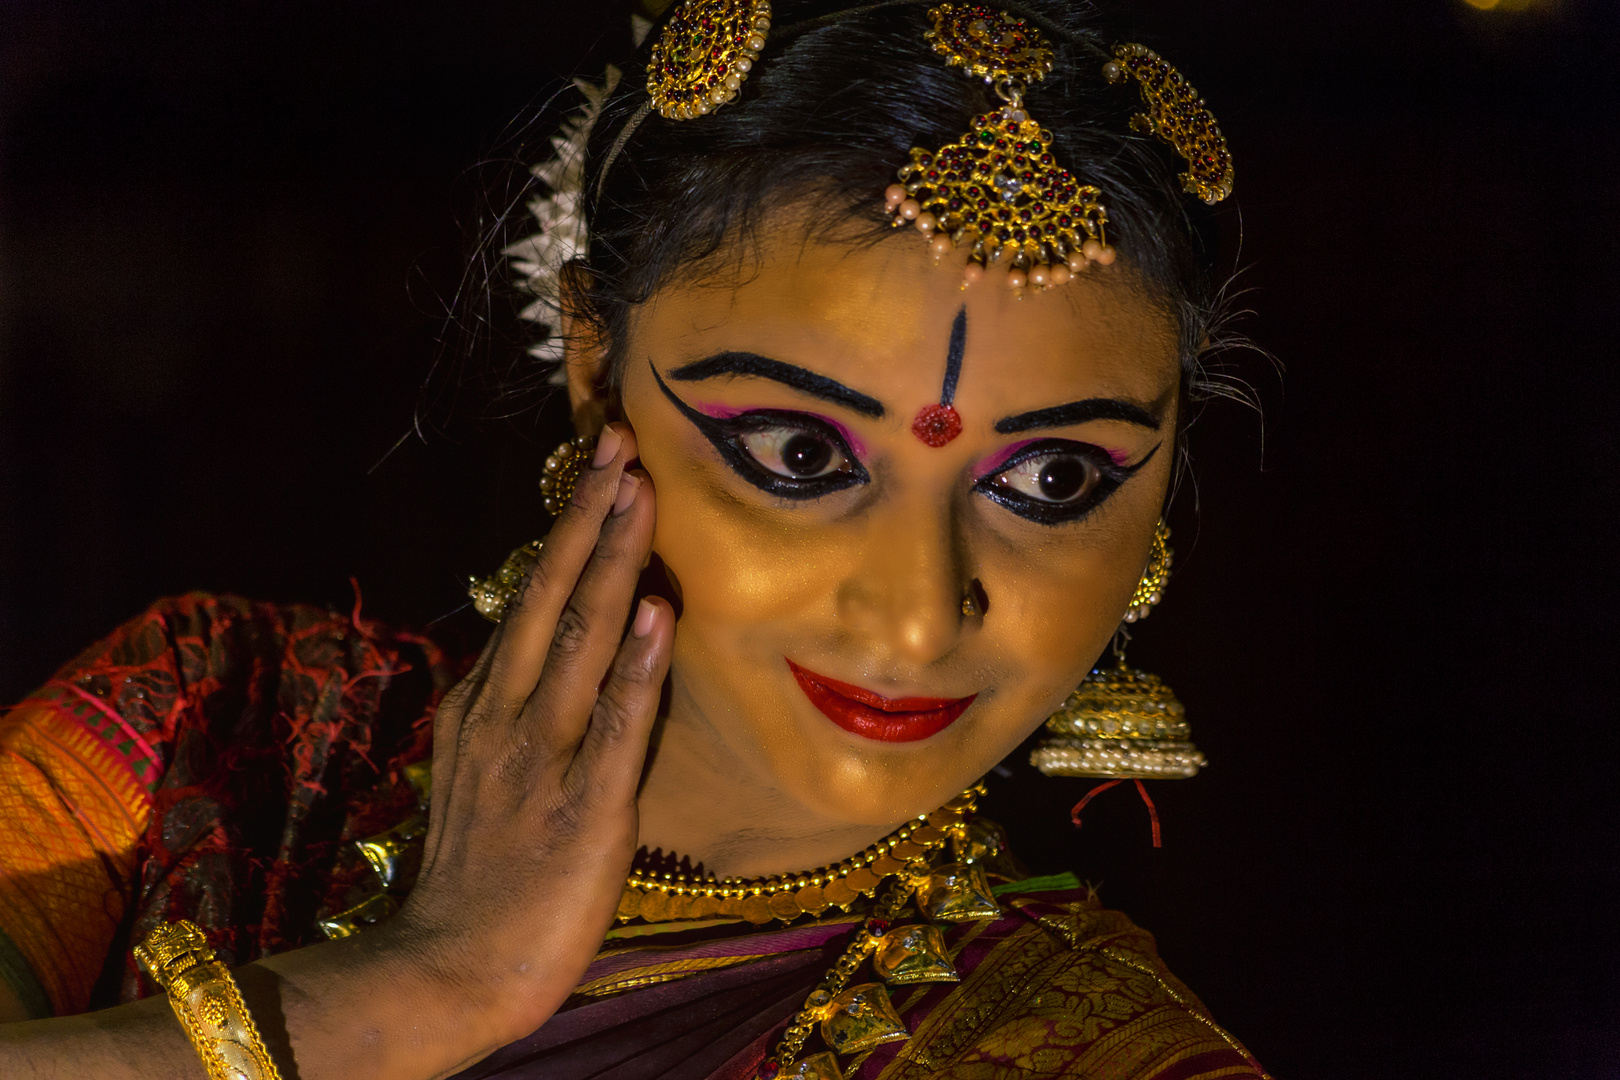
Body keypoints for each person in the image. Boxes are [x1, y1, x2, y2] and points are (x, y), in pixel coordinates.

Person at [0, 1, 1266, 1077]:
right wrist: (413, 991)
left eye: (1050, 476)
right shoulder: (200, 732)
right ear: (600, 373)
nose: (919, 616)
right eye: (803, 453)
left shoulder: (1096, 1055)